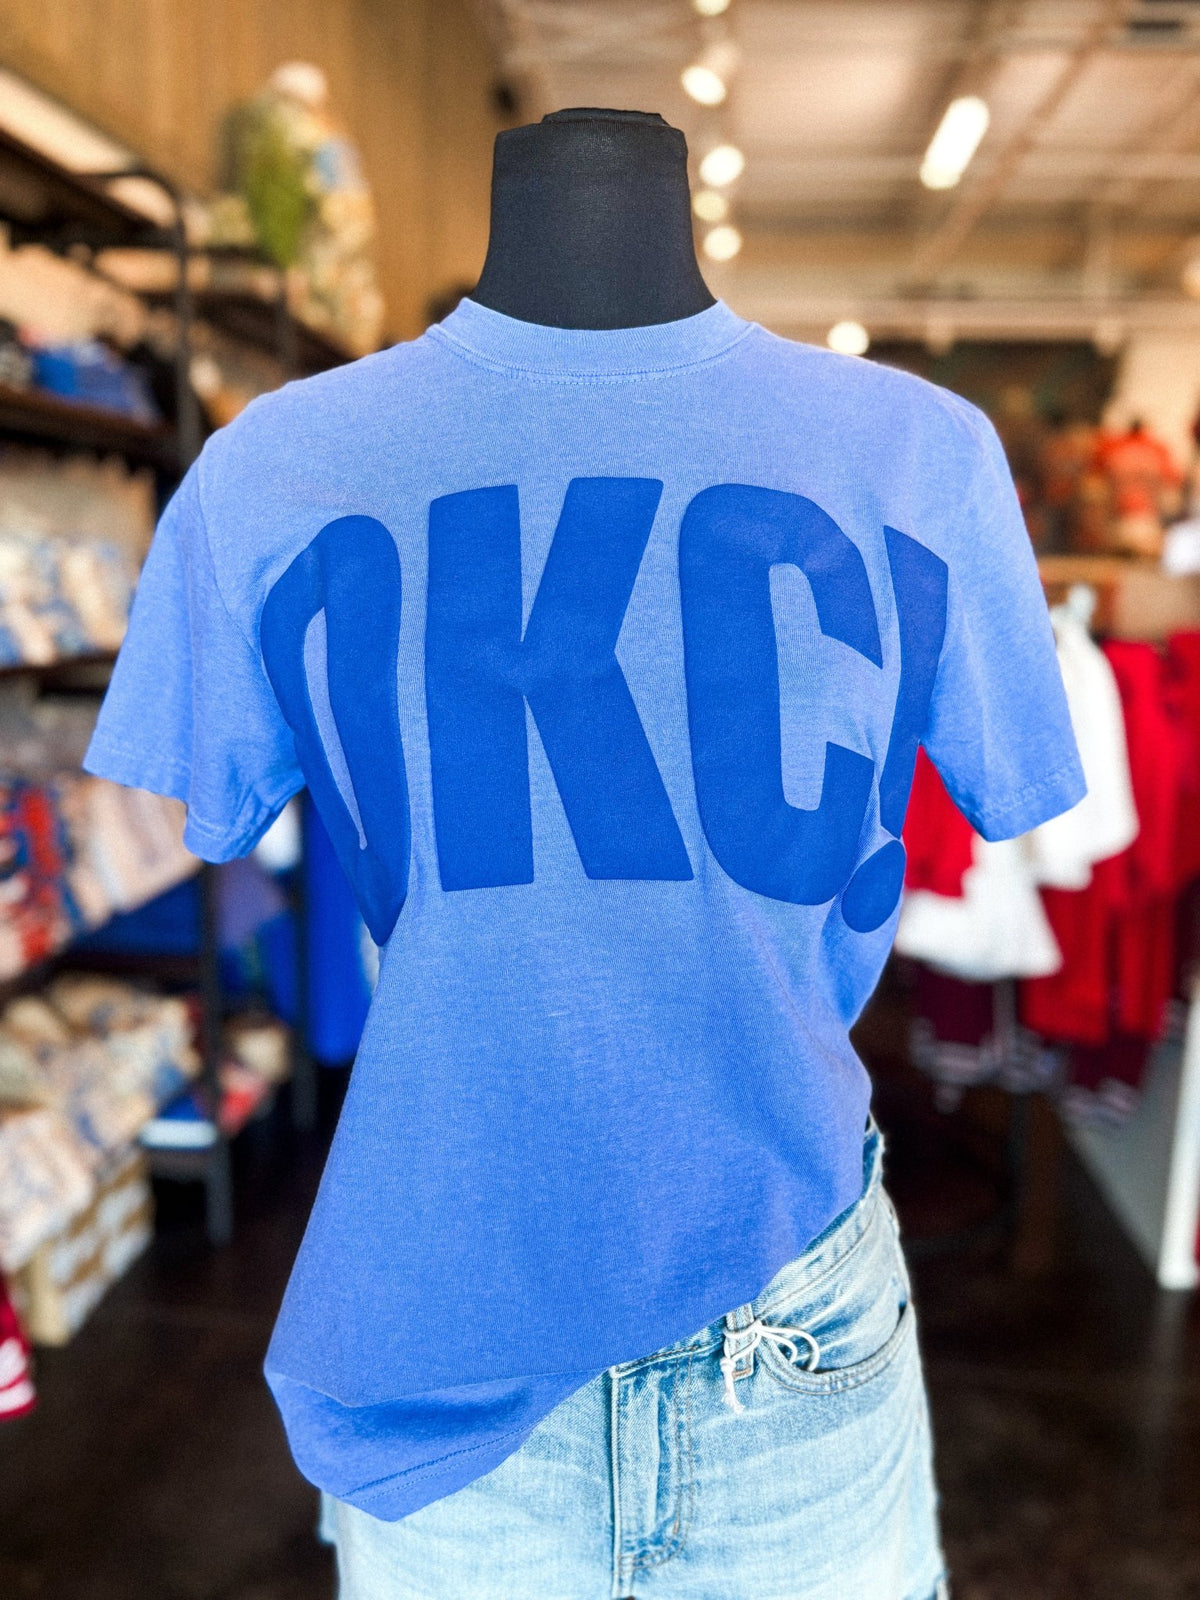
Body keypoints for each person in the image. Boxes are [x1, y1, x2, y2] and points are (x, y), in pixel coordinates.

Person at [83, 111, 1084, 1599]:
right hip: (440, 1336)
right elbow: (218, 809)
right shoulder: (268, 476)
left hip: (790, 1320)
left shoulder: (924, 456)